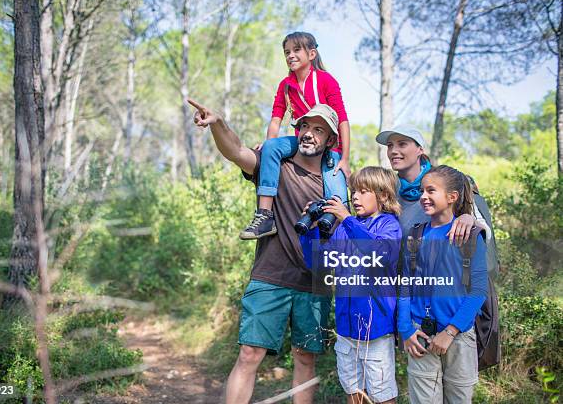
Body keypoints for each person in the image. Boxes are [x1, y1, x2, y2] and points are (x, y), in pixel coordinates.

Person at [188, 98, 340, 404]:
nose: (309, 133)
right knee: (249, 354)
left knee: (306, 358)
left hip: (315, 282)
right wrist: (218, 123)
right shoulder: (276, 164)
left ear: (330, 140)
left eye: (319, 130)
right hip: (271, 274)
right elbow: (236, 151)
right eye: (305, 126)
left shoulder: (336, 183)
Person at [300, 166, 402, 404]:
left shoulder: (389, 225)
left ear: (383, 195)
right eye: (353, 190)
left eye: (363, 191)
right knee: (355, 395)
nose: (354, 196)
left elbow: (377, 255)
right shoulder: (346, 228)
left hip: (375, 331)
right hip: (347, 329)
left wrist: (346, 218)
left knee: (382, 396)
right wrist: (310, 232)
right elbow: (319, 262)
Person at [240, 31, 351, 240]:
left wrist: (344, 158)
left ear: (311, 54)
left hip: (330, 146)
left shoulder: (326, 81)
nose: (290, 55)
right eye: (286, 52)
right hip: (303, 141)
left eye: (296, 50)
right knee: (271, 148)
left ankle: (336, 236)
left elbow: (343, 120)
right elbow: (276, 119)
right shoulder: (285, 85)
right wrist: (268, 144)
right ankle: (265, 215)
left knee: (336, 191)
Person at [397, 165, 488, 403]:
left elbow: (478, 291)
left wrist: (450, 331)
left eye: (430, 191)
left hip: (458, 336)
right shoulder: (415, 236)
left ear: (452, 197)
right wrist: (406, 329)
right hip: (420, 336)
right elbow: (405, 286)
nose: (423, 197)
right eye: (421, 191)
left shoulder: (469, 235)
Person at [375, 125, 479, 243]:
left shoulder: (447, 180)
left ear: (420, 149)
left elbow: (485, 231)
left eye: (402, 144)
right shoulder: (387, 188)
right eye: (390, 145)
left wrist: (469, 219)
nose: (393, 151)